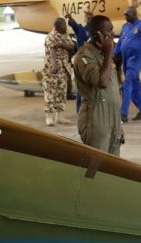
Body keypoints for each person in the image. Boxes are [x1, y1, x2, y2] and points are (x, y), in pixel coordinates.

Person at [72, 14, 122, 155]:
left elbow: (113, 90)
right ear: (98, 34)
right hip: (96, 119)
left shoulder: (104, 55)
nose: (113, 34)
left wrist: (118, 125)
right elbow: (102, 82)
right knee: (96, 162)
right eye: (109, 30)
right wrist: (108, 53)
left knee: (113, 164)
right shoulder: (84, 56)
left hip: (112, 119)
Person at [113, 6, 141, 122]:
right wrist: (112, 56)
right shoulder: (125, 26)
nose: (125, 16)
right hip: (125, 60)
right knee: (135, 87)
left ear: (134, 14)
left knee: (127, 84)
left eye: (127, 14)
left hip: (136, 59)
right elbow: (120, 44)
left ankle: (123, 114)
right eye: (124, 14)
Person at [43, 18, 76, 127]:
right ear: (57, 26)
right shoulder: (51, 36)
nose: (65, 27)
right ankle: (49, 117)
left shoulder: (65, 34)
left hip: (63, 69)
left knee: (61, 92)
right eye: (63, 26)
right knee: (50, 92)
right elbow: (52, 51)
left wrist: (61, 45)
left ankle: (59, 116)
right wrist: (54, 65)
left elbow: (72, 46)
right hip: (52, 70)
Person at [65, 11, 91, 113]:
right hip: (81, 61)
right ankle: (79, 110)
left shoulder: (96, 31)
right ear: (85, 19)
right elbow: (73, 24)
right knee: (81, 87)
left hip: (92, 62)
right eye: (88, 18)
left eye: (92, 18)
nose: (90, 20)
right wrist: (70, 18)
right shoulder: (81, 29)